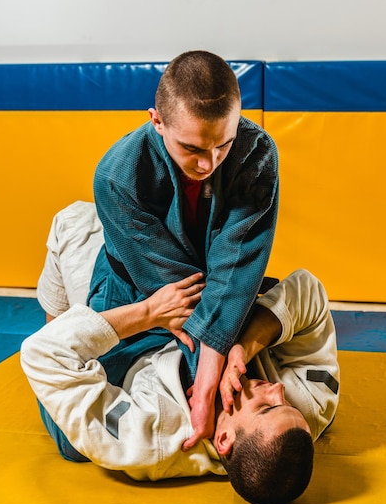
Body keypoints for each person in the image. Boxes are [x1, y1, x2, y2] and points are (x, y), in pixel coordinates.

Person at [22, 264, 339, 504]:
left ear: (224, 439)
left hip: (127, 351)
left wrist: (149, 312)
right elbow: (308, 291)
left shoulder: (148, 439)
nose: (278, 389)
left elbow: (43, 353)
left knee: (76, 224)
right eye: (287, 403)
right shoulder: (308, 410)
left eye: (266, 406)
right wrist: (244, 345)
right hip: (186, 319)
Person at [85, 50, 279, 449]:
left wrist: (208, 388)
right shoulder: (116, 176)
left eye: (223, 144)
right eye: (192, 148)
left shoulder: (256, 152)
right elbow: (181, 291)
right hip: (136, 286)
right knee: (77, 440)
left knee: (218, 378)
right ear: (156, 120)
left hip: (212, 281)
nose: (209, 162)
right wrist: (208, 380)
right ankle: (72, 232)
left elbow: (237, 262)